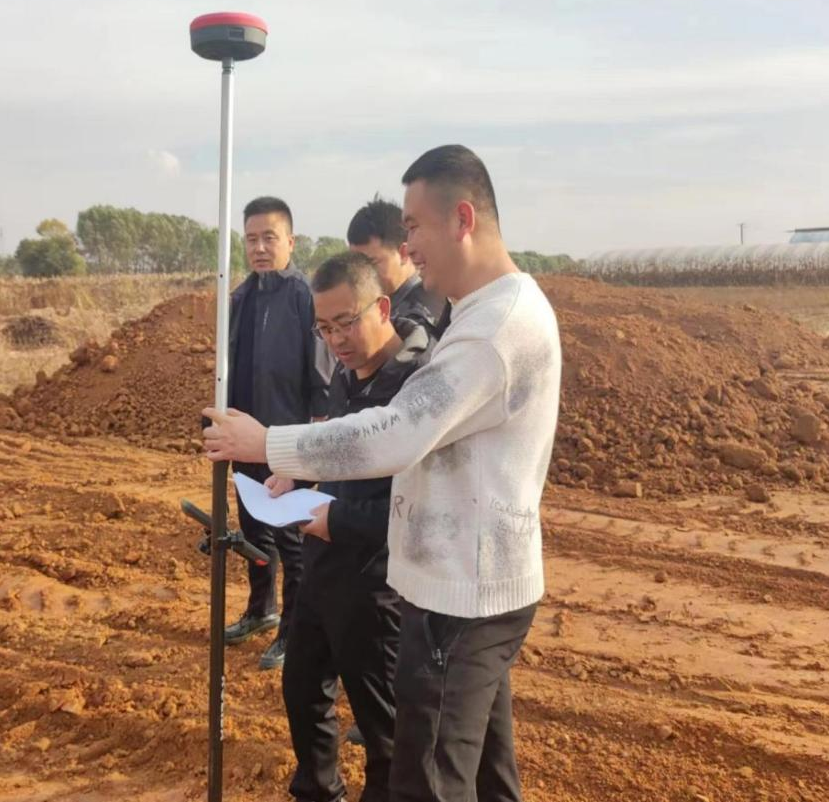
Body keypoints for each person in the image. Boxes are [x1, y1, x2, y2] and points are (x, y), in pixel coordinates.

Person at [203, 145, 561, 801]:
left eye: (413, 227)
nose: (407, 247)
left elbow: (397, 432)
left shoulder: (492, 330)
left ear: (461, 219)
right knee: (485, 773)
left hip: (461, 591)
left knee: (426, 780)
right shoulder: (481, 313)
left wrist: (270, 443)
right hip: (466, 580)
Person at [271, 251, 428, 802]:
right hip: (323, 568)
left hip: (376, 586)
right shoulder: (346, 374)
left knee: (385, 728)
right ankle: (318, 791)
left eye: (345, 323)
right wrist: (299, 473)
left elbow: (410, 511)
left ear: (381, 308)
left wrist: (332, 518)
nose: (335, 339)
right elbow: (340, 456)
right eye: (323, 328)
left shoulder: (416, 388)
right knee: (302, 689)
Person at [225, 195, 329, 671]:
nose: (260, 248)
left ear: (291, 240)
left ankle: (293, 631)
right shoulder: (241, 298)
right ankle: (260, 610)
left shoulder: (304, 298)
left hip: (288, 443)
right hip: (244, 439)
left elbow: (322, 378)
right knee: (254, 532)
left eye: (269, 237)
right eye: (251, 239)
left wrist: (312, 444)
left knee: (293, 542)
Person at [346, 196, 445, 330]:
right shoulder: (378, 305)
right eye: (357, 265)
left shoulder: (421, 313)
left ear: (404, 253)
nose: (362, 275)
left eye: (372, 263)